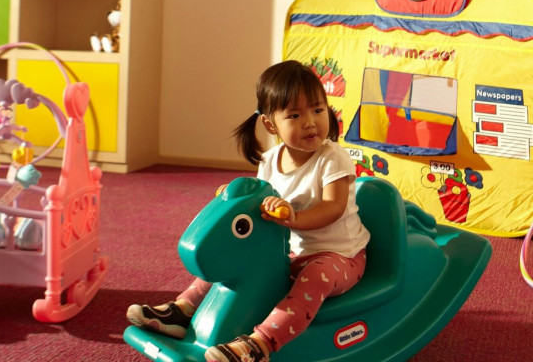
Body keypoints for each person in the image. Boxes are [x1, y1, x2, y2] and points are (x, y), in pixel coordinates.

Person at [127, 60, 370, 362]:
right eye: (295, 115)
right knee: (236, 256)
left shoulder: (332, 158)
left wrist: (294, 218)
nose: (310, 122)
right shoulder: (270, 160)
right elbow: (260, 205)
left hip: (339, 255)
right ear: (271, 125)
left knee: (315, 276)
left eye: (318, 110)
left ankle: (261, 344)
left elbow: (333, 207)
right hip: (289, 251)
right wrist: (234, 201)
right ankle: (183, 309)